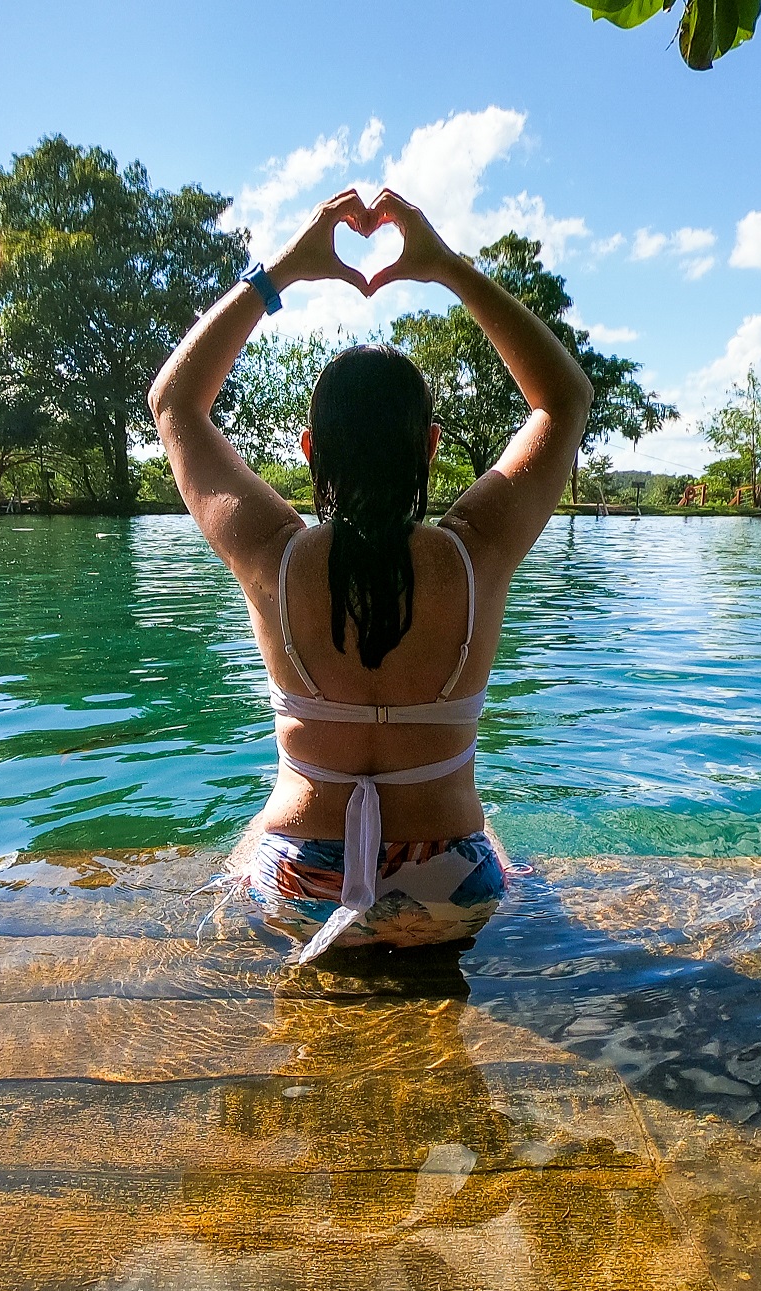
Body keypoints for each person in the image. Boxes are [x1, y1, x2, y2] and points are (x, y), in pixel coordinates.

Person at [149, 188, 592, 961]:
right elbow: (564, 400)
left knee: (256, 832)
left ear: (309, 450)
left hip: (298, 878)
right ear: (428, 447)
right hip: (448, 884)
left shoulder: (271, 554)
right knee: (492, 836)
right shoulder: (475, 551)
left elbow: (175, 403)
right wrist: (446, 268)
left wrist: (280, 271)